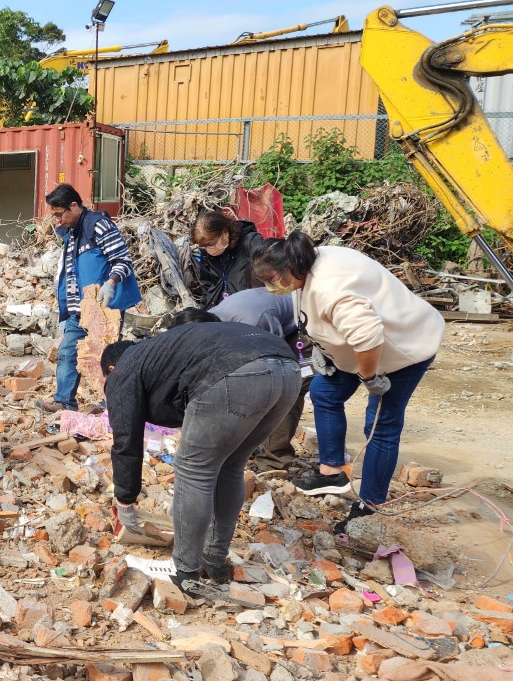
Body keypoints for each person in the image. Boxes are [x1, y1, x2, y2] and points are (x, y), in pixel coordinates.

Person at [252, 232, 443, 532]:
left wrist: (369, 376)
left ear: (292, 266)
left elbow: (367, 337)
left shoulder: (331, 288)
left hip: (402, 350)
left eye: (271, 278)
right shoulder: (303, 265)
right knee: (323, 392)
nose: (269, 286)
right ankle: (331, 473)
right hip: (359, 350)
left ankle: (370, 507)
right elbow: (323, 318)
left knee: (380, 425)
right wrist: (324, 351)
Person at [102, 323, 301, 588]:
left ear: (111, 369)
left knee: (194, 468)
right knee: (231, 464)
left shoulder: (124, 370)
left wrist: (125, 500)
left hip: (237, 370)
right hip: (288, 369)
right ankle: (214, 559)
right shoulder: (162, 353)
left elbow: (126, 439)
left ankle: (183, 571)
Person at [169, 288, 314, 472]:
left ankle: (274, 461)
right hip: (268, 325)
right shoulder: (208, 321)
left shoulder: (252, 321)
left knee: (287, 389)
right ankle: (247, 447)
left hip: (301, 327)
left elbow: (278, 360)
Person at [37, 183, 141, 413]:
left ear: (74, 206)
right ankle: (64, 401)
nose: (56, 219)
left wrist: (110, 283)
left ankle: (111, 405)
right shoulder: (71, 232)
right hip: (79, 308)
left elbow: (123, 260)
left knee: (106, 357)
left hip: (104, 306)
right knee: (67, 352)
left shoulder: (99, 225)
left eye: (58, 214)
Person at [188, 210, 265, 310]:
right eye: (204, 246)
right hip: (219, 306)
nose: (209, 249)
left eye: (212, 244)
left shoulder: (251, 242)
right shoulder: (207, 252)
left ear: (225, 232)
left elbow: (266, 276)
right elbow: (207, 283)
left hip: (248, 306)